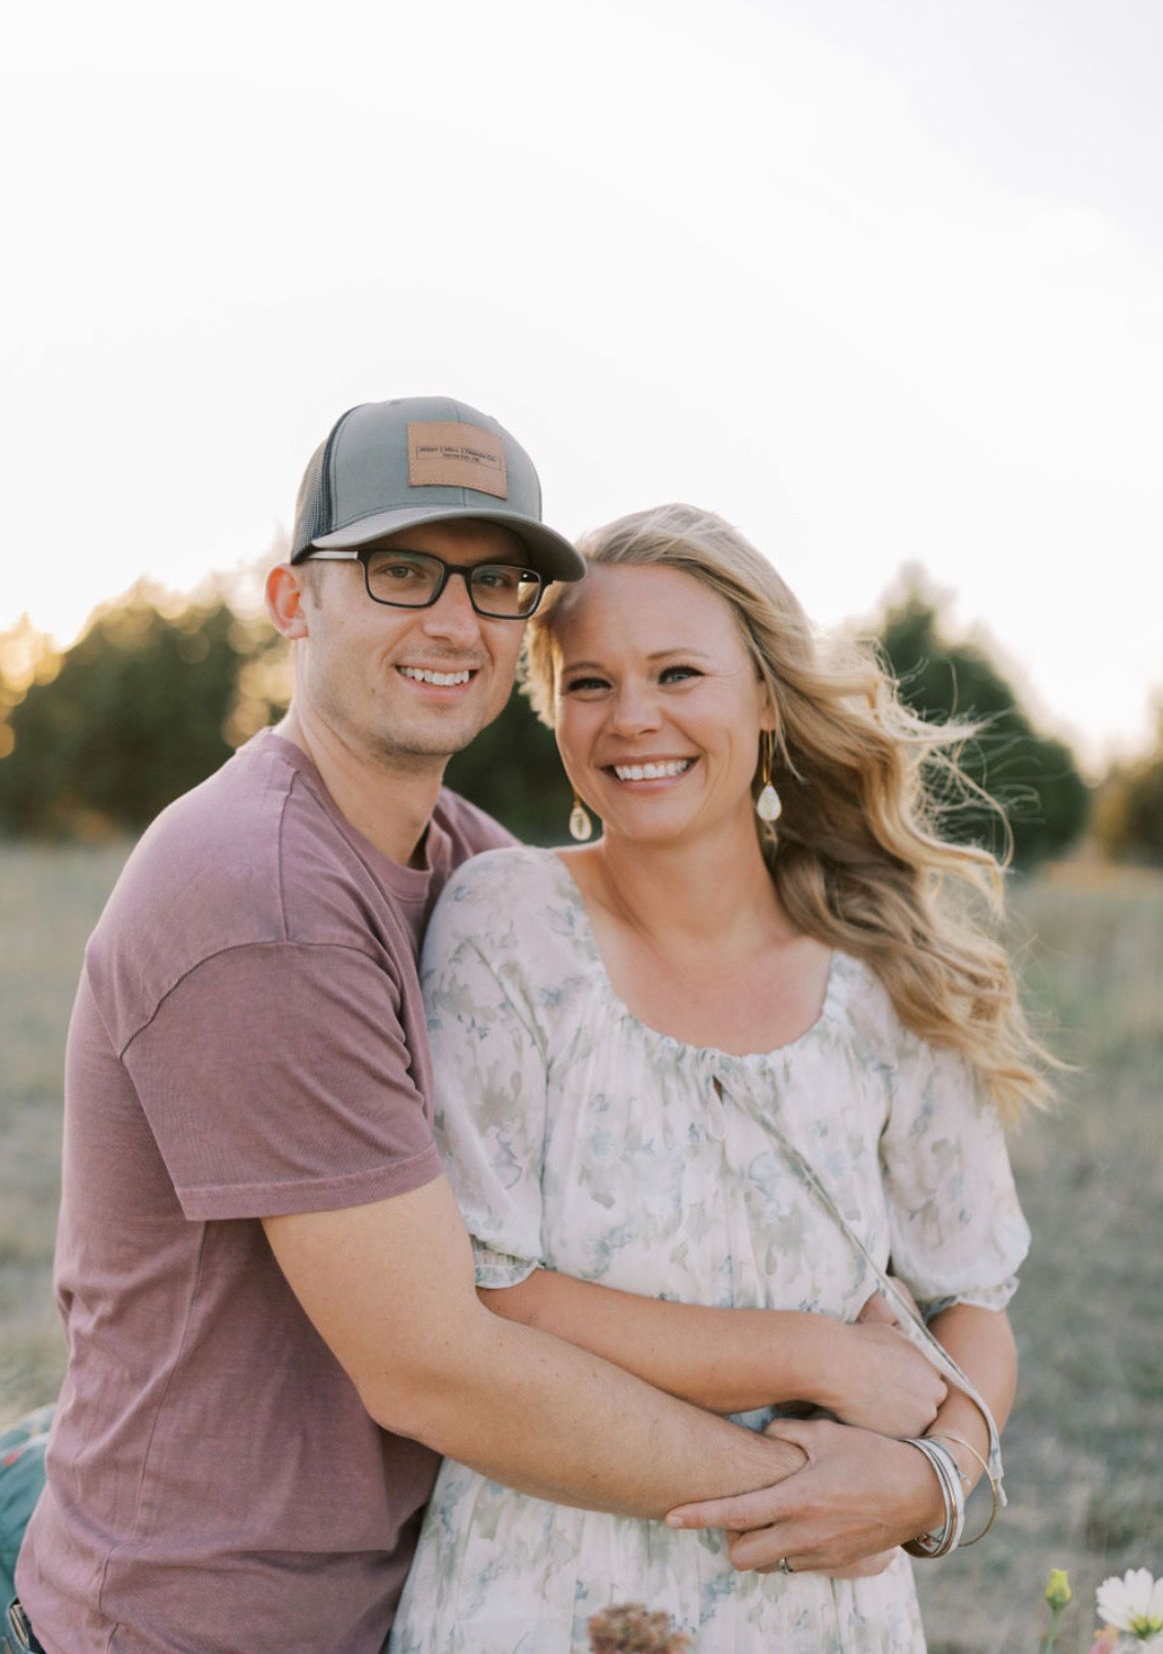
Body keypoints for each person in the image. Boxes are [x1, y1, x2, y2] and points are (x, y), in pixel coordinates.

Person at [10, 404, 942, 1654]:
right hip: (215, 1615)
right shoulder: (260, 899)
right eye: (399, 570)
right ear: (294, 598)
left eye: (495, 582)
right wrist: (804, 1484)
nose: (453, 620)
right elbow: (434, 1363)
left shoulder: (464, 864)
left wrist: (939, 1455)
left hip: (411, 1590)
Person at [389, 503, 1042, 1653]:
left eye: (677, 671)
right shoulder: (509, 922)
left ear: (763, 696)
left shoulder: (885, 968)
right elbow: (491, 1296)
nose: (630, 716)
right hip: (539, 1594)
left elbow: (970, 1303)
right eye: (586, 683)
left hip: (825, 1606)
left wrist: (935, 1477)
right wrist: (816, 1353)